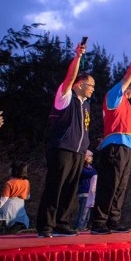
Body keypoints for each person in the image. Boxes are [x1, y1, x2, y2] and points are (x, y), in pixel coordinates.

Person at [89, 35, 131, 235]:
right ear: (128, 86)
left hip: (127, 149)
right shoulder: (115, 95)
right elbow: (129, 74)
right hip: (115, 147)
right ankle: (99, 222)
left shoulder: (127, 104)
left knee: (120, 187)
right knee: (109, 184)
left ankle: (113, 220)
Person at [37, 39, 93, 238]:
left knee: (70, 189)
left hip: (78, 152)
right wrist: (78, 57)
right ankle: (45, 226)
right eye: (90, 84)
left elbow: (84, 128)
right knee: (56, 185)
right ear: (79, 84)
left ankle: (61, 223)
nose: (92, 88)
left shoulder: (86, 105)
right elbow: (69, 77)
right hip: (62, 147)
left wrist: (85, 148)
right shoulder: (65, 96)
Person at [0, 161, 30, 234]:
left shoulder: (9, 183)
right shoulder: (26, 182)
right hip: (19, 211)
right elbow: (27, 197)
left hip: (6, 210)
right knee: (11, 235)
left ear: (14, 170)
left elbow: (3, 200)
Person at [75, 151, 96, 231]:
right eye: (90, 156)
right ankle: (79, 227)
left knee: (88, 214)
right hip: (84, 192)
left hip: (90, 193)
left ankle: (84, 227)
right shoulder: (81, 168)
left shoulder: (91, 168)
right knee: (83, 212)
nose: (91, 158)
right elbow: (90, 173)